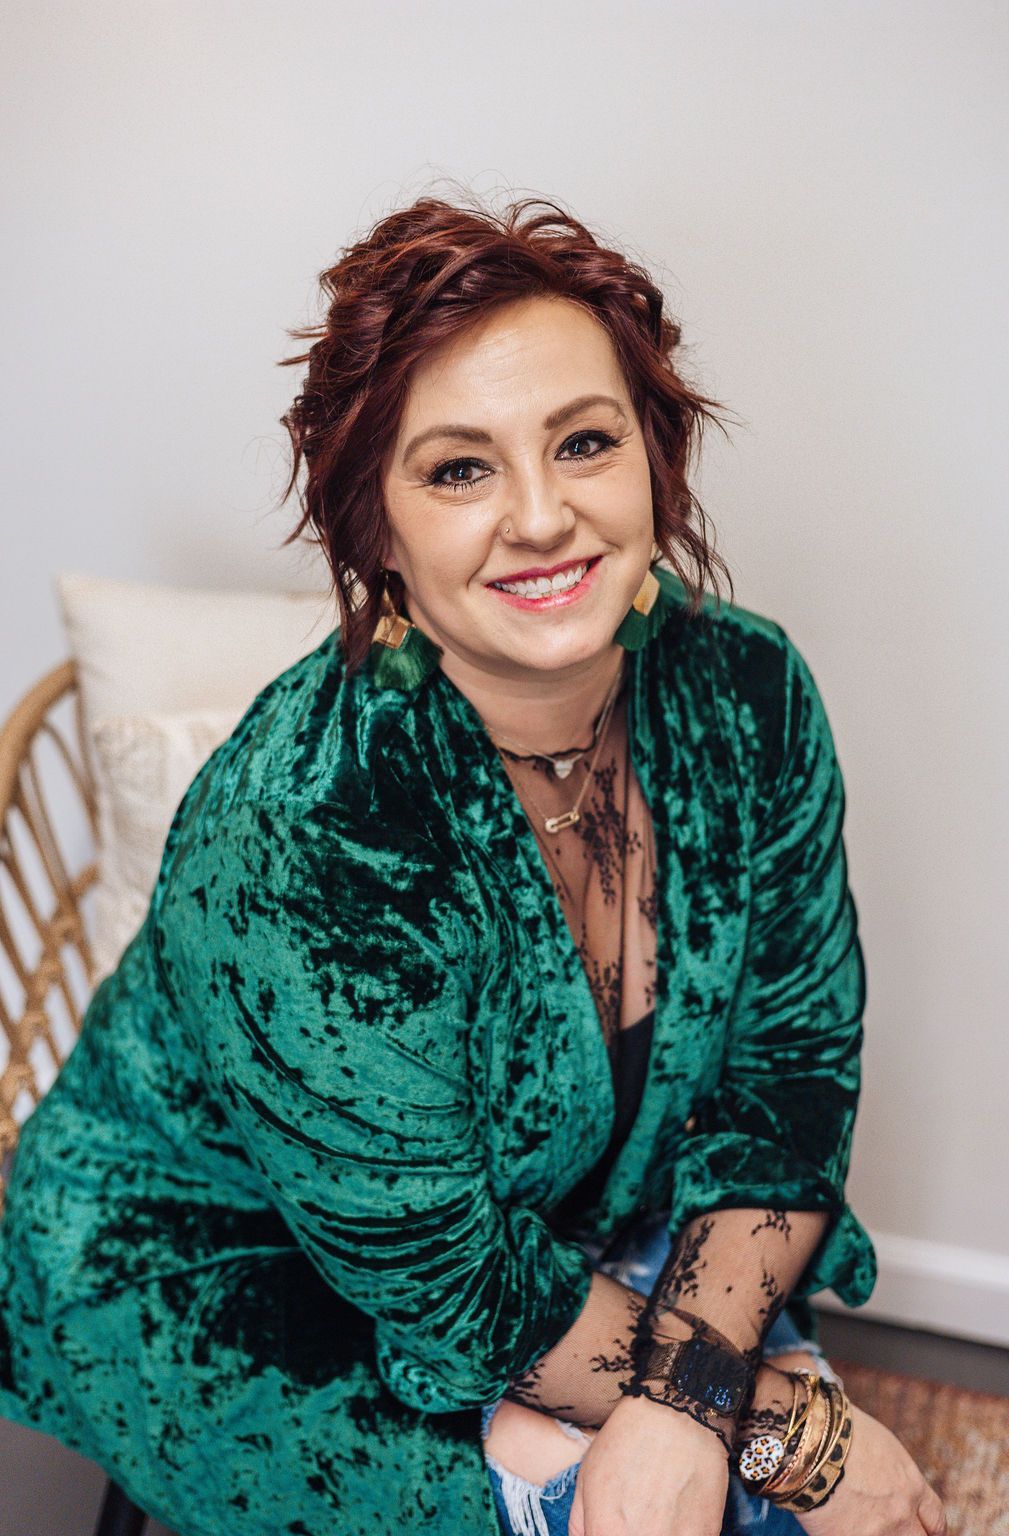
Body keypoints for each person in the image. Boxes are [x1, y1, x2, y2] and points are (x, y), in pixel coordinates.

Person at [0, 193, 947, 1536]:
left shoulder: (750, 695)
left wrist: (686, 1404)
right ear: (374, 533)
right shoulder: (309, 822)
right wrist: (789, 1429)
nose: (544, 516)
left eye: (583, 442)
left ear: (656, 464)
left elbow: (784, 1090)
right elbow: (443, 1276)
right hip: (226, 1265)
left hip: (544, 1221)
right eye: (459, 469)